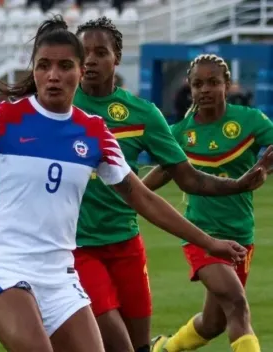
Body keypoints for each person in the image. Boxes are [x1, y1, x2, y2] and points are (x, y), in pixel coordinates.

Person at [0, 17, 272, 352]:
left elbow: (182, 178)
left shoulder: (141, 114)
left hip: (125, 242)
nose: (91, 60)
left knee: (139, 346)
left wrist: (238, 186)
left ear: (116, 58)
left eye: (100, 52)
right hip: (76, 249)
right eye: (85, 52)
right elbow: (14, 152)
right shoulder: (56, 103)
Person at [145, 54, 273, 352]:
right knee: (238, 304)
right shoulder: (178, 134)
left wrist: (264, 168)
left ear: (227, 85)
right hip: (201, 236)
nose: (205, 89)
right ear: (189, 89)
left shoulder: (250, 120)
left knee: (214, 322)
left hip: (241, 236)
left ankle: (164, 348)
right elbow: (161, 172)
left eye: (213, 82)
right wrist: (125, 193)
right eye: (197, 84)